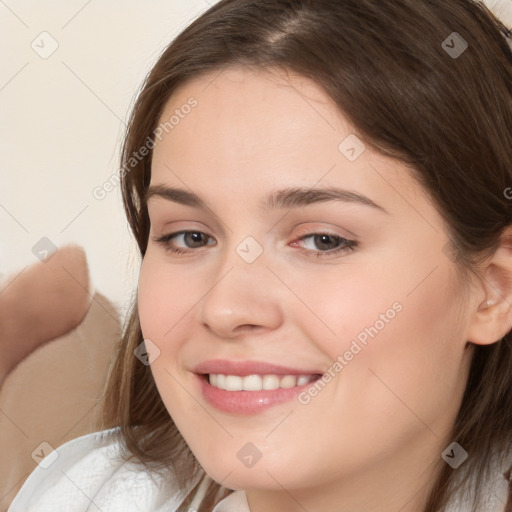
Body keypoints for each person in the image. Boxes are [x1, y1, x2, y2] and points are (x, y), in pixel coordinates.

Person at [7, 0, 512, 510]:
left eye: (322, 240)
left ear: (495, 289)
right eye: (190, 237)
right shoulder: (81, 495)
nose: (225, 309)